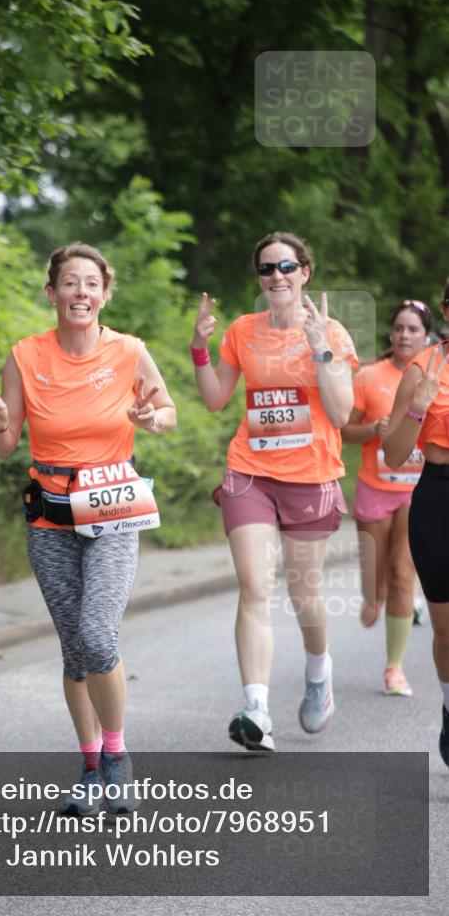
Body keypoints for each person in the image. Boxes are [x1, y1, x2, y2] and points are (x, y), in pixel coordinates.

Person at [0, 242, 176, 812]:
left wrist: (149, 417)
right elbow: (5, 446)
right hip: (50, 512)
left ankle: (117, 757)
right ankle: (91, 767)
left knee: (97, 635)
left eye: (91, 283)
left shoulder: (130, 351)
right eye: (69, 282)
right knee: (72, 649)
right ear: (51, 292)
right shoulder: (26, 355)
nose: (80, 293)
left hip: (112, 504)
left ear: (105, 293)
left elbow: (168, 413)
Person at [192, 231, 358, 751]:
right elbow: (217, 399)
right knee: (254, 586)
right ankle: (257, 709)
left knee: (302, 592)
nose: (277, 277)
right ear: (259, 279)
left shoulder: (331, 331)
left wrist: (320, 349)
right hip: (250, 473)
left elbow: (341, 414)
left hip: (311, 476)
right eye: (267, 269)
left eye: (287, 267)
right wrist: (199, 349)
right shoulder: (243, 331)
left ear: (305, 272)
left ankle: (317, 674)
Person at [341, 301, 432, 696]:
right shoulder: (369, 376)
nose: (405, 336)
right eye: (399, 328)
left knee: (402, 574)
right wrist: (372, 431)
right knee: (377, 579)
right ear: (391, 334)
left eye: (413, 329)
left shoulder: (436, 375)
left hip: (416, 490)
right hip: (375, 487)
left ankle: (394, 668)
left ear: (426, 335)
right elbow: (345, 429)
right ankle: (371, 595)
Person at [383, 281, 449, 767]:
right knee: (446, 630)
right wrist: (417, 408)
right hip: (437, 494)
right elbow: (394, 452)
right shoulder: (423, 369)